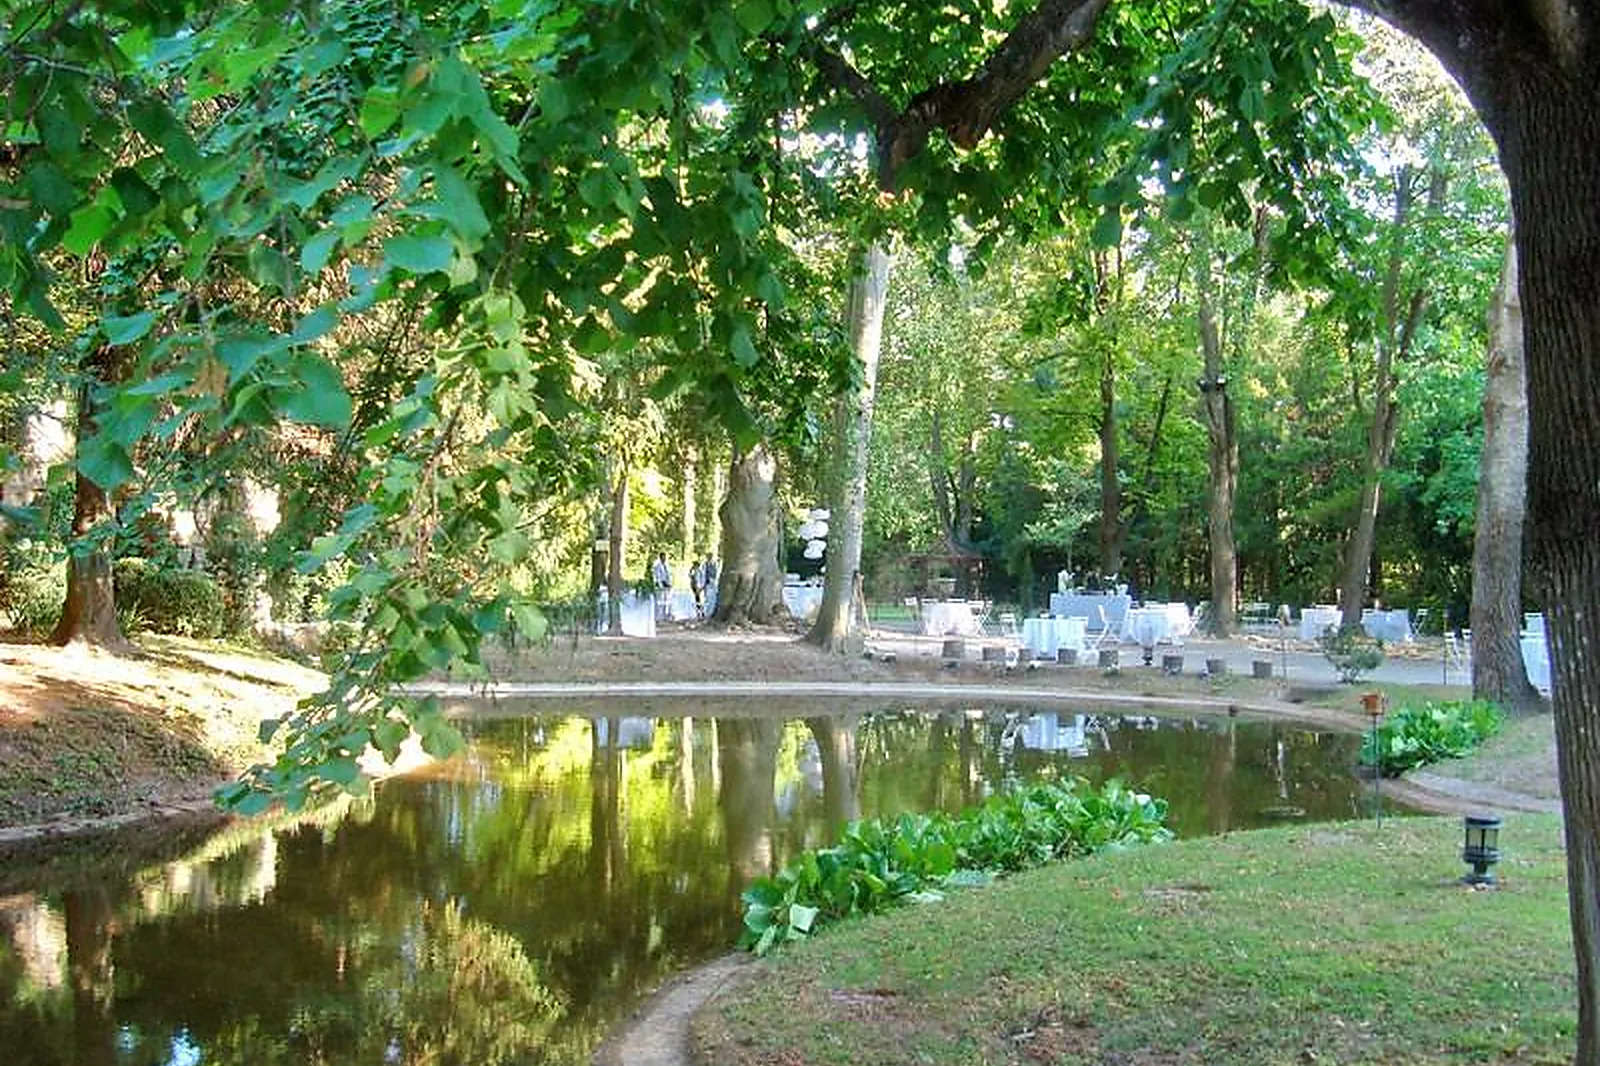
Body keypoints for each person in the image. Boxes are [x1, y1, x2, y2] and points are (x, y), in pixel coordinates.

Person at [651, 552, 672, 620]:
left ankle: (665, 615)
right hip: (660, 584)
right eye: (663, 557)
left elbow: (668, 574)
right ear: (660, 557)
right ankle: (657, 616)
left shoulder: (666, 565)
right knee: (659, 601)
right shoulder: (657, 565)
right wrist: (658, 584)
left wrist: (669, 583)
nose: (664, 559)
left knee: (666, 600)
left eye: (665, 557)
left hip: (666, 583)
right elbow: (657, 576)